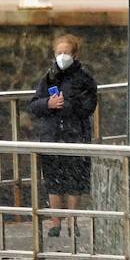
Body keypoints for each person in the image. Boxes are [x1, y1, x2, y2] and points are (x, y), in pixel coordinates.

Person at [26, 33, 98, 237]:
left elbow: (88, 106)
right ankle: (55, 222)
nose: (62, 56)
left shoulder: (84, 78)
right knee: (53, 181)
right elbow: (33, 105)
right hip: (51, 136)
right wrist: (48, 104)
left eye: (66, 52)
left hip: (75, 135)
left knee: (75, 181)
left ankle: (72, 222)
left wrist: (66, 106)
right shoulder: (49, 77)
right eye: (59, 52)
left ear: (74, 54)